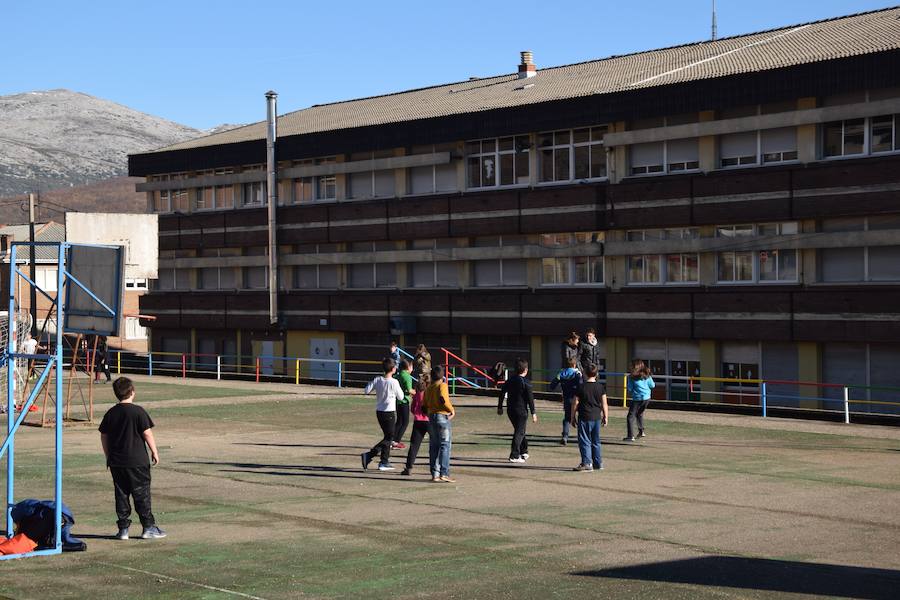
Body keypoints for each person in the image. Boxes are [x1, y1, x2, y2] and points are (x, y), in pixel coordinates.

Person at [98, 377, 165, 540]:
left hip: (117, 462)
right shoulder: (138, 411)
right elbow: (147, 433)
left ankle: (123, 530)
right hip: (137, 461)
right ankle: (148, 527)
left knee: (121, 495)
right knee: (142, 494)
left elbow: (104, 436)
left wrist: (108, 456)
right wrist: (154, 451)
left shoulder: (111, 413)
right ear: (132, 392)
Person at [361, 358, 404, 471]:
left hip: (379, 412)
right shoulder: (394, 382)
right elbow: (401, 397)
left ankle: (384, 461)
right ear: (393, 369)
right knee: (389, 437)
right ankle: (369, 455)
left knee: (387, 437)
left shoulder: (378, 379)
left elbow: (366, 390)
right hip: (389, 412)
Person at [497, 358, 537, 463]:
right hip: (521, 411)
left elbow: (501, 393)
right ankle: (514, 455)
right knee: (519, 432)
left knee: (520, 430)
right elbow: (530, 399)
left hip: (510, 409)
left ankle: (524, 450)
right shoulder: (526, 383)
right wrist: (533, 412)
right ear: (526, 370)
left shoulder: (510, 380)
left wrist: (500, 407)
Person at [571, 364, 609, 472]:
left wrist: (572, 416)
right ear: (596, 374)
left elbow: (575, 403)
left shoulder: (581, 387)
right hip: (596, 417)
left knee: (584, 440)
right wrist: (606, 416)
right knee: (596, 441)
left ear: (584, 373)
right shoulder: (600, 387)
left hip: (584, 417)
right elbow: (604, 403)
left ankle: (587, 463)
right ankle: (598, 463)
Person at [424, 365, 455, 483]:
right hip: (442, 416)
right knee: (445, 445)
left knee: (434, 446)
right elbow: (443, 400)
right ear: (442, 376)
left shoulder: (429, 388)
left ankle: (434, 473)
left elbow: (424, 405)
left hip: (431, 417)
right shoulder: (442, 385)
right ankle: (444, 472)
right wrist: (451, 409)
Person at [549, 357, 583, 446]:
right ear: (575, 364)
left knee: (567, 418)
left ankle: (565, 436)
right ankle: (582, 437)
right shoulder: (577, 373)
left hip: (567, 399)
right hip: (578, 398)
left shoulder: (562, 373)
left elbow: (552, 385)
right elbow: (581, 385)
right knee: (581, 417)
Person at [402, 374, 431, 476]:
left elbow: (413, 409)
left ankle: (409, 467)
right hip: (429, 421)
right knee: (434, 444)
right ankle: (435, 468)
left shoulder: (417, 394)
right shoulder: (429, 393)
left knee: (414, 445)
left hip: (418, 421)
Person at [624, 359, 655, 442]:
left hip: (637, 399)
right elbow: (652, 385)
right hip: (647, 399)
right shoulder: (647, 375)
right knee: (639, 413)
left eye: (631, 366)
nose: (629, 367)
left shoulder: (631, 377)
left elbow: (630, 389)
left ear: (635, 367)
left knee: (630, 417)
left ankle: (630, 436)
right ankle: (641, 432)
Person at [392, 359, 414, 450]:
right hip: (404, 401)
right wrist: (418, 392)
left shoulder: (397, 376)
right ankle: (396, 441)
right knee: (405, 422)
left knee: (399, 422)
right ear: (408, 367)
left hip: (397, 401)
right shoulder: (407, 377)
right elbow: (409, 390)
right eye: (412, 366)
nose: (412, 368)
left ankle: (393, 440)